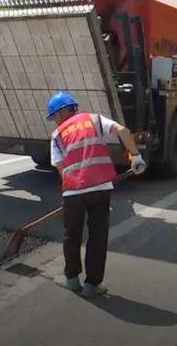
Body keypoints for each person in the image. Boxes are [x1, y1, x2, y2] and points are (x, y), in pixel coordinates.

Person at [47, 91, 146, 298]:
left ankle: (72, 280)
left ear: (64, 111)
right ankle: (93, 285)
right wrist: (135, 156)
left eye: (55, 115)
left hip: (73, 190)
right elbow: (123, 130)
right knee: (97, 235)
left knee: (71, 235)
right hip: (101, 188)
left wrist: (70, 193)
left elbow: (61, 169)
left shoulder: (57, 135)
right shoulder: (94, 119)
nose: (55, 120)